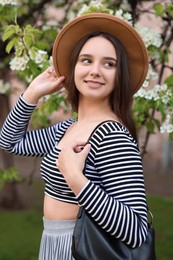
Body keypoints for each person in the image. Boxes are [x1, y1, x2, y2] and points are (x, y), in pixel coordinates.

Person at [0, 13, 149, 260]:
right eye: (86, 60)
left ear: (119, 74)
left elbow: (135, 230)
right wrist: (31, 95)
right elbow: (10, 141)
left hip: (82, 249)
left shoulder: (112, 136)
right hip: (52, 243)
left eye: (109, 64)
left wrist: (75, 177)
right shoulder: (67, 128)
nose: (95, 71)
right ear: (74, 67)